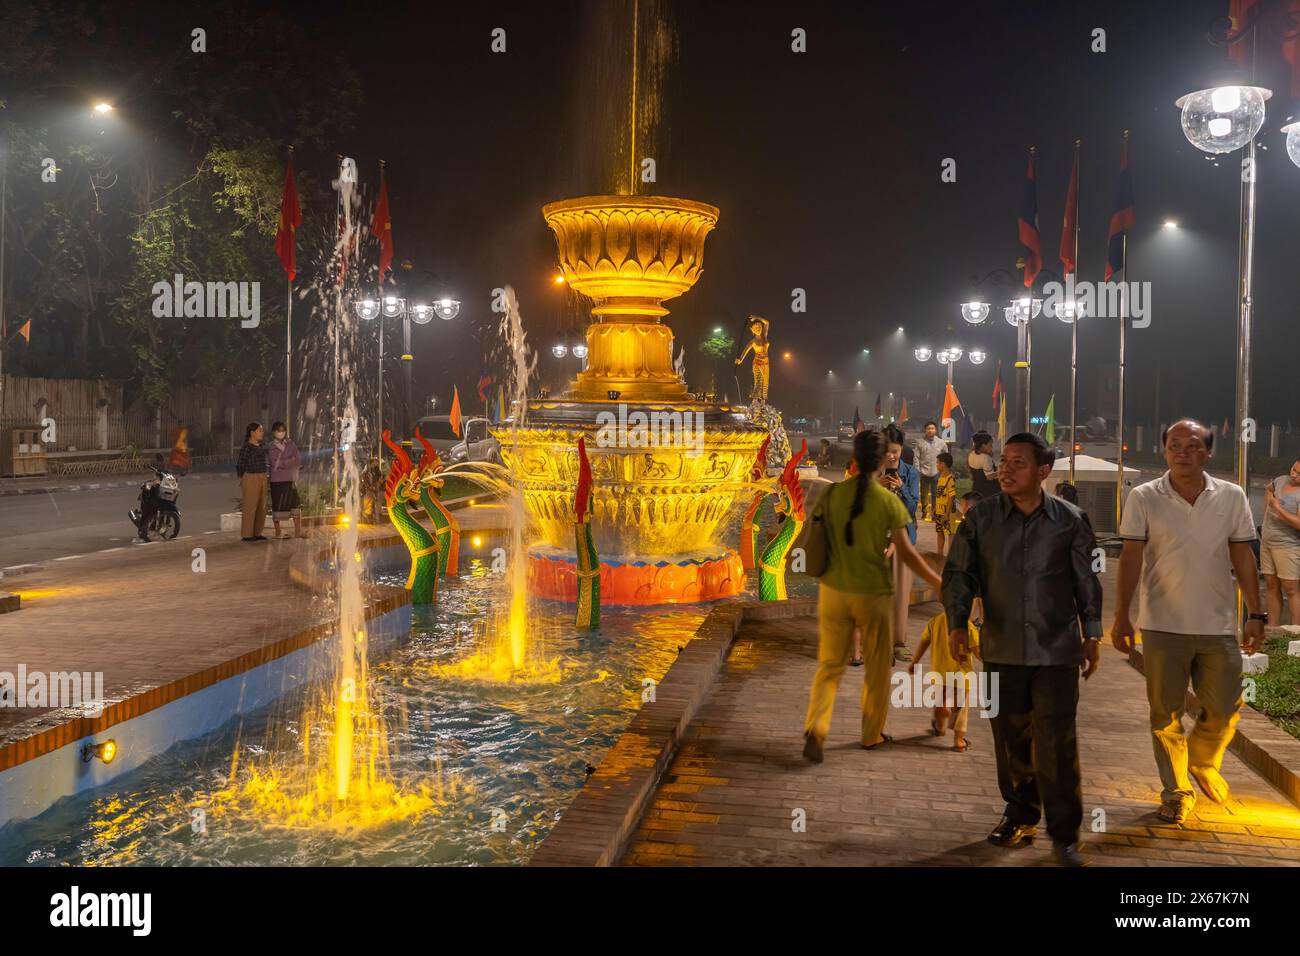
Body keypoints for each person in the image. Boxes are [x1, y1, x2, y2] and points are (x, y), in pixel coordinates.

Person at [942, 431, 1103, 867]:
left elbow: (1086, 580)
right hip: (1001, 648)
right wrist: (957, 623)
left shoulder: (1071, 520)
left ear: (1043, 471)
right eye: (1004, 461)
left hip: (1057, 652)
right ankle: (1020, 815)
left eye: (1018, 462)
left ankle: (1065, 835)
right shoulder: (981, 519)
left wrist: (1092, 633)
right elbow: (959, 573)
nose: (1005, 470)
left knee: (1058, 743)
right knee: (1010, 739)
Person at [1112, 419, 1266, 824]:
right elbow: (1130, 557)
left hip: (1218, 624)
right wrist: (1122, 616)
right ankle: (1177, 791)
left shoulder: (1231, 496)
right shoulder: (1144, 496)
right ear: (1165, 451)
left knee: (1225, 706)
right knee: (1165, 715)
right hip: (1162, 624)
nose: (1183, 452)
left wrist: (1256, 613)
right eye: (1175, 445)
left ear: (1208, 453)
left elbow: (1243, 556)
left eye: (1193, 445)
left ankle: (1202, 759)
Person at [803, 428, 943, 762]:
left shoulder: (833, 494)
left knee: (829, 666)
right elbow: (908, 554)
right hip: (873, 596)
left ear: (853, 458)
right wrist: (939, 582)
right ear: (883, 460)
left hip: (833, 592)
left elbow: (816, 537)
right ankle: (871, 734)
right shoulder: (887, 501)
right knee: (878, 671)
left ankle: (817, 728)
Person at [911, 599, 981, 752]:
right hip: (962, 676)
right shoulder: (968, 627)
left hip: (939, 674)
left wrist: (914, 662)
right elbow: (979, 652)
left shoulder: (934, 621)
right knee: (961, 713)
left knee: (941, 700)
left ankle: (940, 726)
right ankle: (959, 741)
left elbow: (924, 642)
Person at [881, 423, 920, 663]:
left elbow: (913, 507)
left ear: (901, 449)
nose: (890, 456)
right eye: (886, 451)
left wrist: (902, 488)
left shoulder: (910, 473)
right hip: (876, 539)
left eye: (894, 451)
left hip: (903, 539)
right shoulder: (873, 471)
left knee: (900, 593)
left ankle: (899, 643)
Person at [1262, 456, 1300, 626]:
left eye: (1299, 473)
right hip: (1267, 542)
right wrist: (1267, 508)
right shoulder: (1281, 480)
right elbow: (1269, 488)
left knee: (1291, 589)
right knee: (1271, 585)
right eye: (1293, 469)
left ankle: (1296, 632)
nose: (1294, 475)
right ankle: (1272, 628)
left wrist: (1278, 509)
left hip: (1287, 545)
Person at [266, 421, 304, 539]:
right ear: (274, 432)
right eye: (278, 430)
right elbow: (275, 463)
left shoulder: (291, 444)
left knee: (295, 504)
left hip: (290, 479)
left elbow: (298, 459)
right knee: (278, 505)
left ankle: (298, 532)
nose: (281, 432)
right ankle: (278, 532)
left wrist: (286, 462)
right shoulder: (271, 446)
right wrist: (290, 460)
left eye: (283, 430)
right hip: (277, 481)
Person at [236, 422, 270, 542]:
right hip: (251, 476)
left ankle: (257, 532)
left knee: (262, 506)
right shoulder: (247, 447)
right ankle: (247, 534)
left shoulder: (261, 446)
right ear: (252, 433)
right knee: (250, 505)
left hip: (262, 476)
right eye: (259, 430)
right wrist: (242, 477)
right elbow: (241, 463)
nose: (262, 433)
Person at [914, 420, 948, 520]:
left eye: (932, 428)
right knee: (924, 495)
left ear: (936, 430)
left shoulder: (941, 443)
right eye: (928, 428)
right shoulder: (920, 443)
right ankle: (924, 512)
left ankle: (934, 514)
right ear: (925, 430)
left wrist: (944, 470)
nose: (930, 430)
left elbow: (946, 456)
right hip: (923, 472)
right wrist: (918, 470)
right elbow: (916, 457)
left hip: (937, 472)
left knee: (935, 494)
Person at [933, 452, 957, 555]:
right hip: (939, 511)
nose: (936, 465)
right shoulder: (941, 477)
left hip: (948, 512)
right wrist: (935, 508)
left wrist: (947, 514)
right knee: (940, 531)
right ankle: (939, 554)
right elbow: (939, 496)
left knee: (950, 533)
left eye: (937, 463)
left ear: (943, 464)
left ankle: (951, 556)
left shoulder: (950, 479)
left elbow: (951, 497)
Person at [967, 431, 999, 500]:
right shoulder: (985, 458)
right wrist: (1000, 472)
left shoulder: (971, 454)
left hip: (976, 488)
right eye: (990, 444)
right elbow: (989, 477)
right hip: (989, 492)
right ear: (983, 445)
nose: (992, 447)